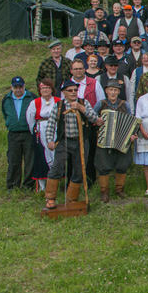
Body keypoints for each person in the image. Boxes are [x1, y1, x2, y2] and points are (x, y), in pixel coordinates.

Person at [43, 80, 102, 209]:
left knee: (79, 170)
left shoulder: (83, 103)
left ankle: (71, 199)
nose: (73, 92)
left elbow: (95, 119)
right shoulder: (59, 106)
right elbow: (51, 124)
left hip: (81, 141)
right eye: (70, 90)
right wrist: (50, 140)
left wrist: (81, 108)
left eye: (75, 90)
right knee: (57, 167)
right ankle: (50, 198)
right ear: (64, 92)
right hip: (64, 141)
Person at [94, 80, 137, 203]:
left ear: (119, 92)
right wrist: (97, 122)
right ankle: (104, 192)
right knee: (103, 165)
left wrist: (132, 135)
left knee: (122, 164)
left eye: (115, 90)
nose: (113, 92)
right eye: (110, 90)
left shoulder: (125, 105)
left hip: (121, 140)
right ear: (106, 91)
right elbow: (92, 117)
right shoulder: (100, 104)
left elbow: (131, 122)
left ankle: (119, 189)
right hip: (104, 139)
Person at [3, 77, 37, 191]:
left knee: (30, 160)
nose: (18, 90)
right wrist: (10, 123)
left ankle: (29, 185)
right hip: (13, 134)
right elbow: (5, 114)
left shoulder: (31, 97)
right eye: (15, 87)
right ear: (11, 87)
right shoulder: (6, 99)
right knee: (13, 160)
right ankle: (13, 185)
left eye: (20, 87)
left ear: (24, 86)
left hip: (28, 133)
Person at [25, 79, 60, 191]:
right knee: (41, 156)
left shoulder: (58, 101)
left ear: (52, 89)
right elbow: (30, 118)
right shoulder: (35, 103)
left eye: (48, 88)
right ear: (40, 90)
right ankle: (42, 186)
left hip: (56, 129)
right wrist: (35, 131)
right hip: (41, 131)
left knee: (57, 154)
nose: (45, 90)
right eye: (43, 88)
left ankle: (57, 182)